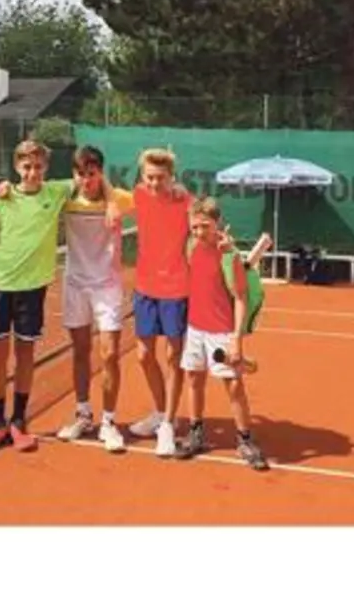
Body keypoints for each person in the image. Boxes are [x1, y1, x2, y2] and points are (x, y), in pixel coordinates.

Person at [0, 139, 74, 455]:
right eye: (27, 166)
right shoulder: (0, 199)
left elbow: (91, 179)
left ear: (46, 167)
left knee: (26, 354)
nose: (32, 172)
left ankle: (18, 421)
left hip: (33, 289)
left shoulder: (56, 192)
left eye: (38, 166)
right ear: (17, 167)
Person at [105, 147, 194, 458]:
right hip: (145, 288)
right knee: (144, 356)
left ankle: (168, 425)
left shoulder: (186, 201)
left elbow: (208, 218)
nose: (154, 183)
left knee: (173, 357)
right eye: (149, 177)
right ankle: (159, 413)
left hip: (177, 290)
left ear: (172, 177)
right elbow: (105, 190)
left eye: (160, 178)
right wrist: (113, 208)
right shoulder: (139, 195)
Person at [172, 198, 270, 471]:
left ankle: (245, 440)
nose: (199, 232)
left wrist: (235, 340)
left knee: (234, 387)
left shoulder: (229, 255)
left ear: (217, 224)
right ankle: (196, 432)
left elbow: (239, 297)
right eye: (195, 227)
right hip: (195, 327)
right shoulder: (191, 246)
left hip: (222, 331)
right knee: (194, 378)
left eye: (205, 226)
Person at [55, 145, 135, 452]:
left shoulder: (120, 198)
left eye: (91, 173)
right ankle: (83, 414)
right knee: (80, 352)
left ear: (100, 172)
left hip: (107, 287)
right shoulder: (66, 198)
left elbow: (156, 197)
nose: (86, 180)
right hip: (75, 284)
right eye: (80, 174)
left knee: (110, 354)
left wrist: (112, 198)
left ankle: (109, 422)